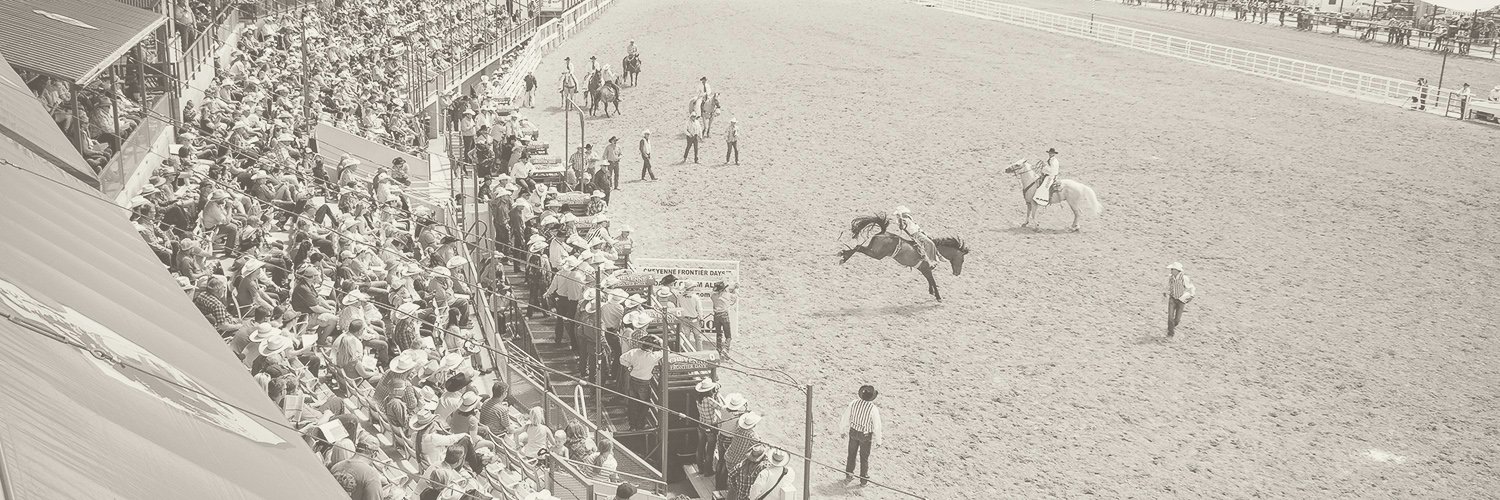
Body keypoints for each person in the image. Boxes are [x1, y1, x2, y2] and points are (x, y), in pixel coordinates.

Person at [839, 385, 883, 486]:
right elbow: (877, 425)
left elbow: (845, 417)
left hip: (854, 432)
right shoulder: (873, 408)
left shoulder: (854, 403)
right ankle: (863, 480)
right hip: (865, 435)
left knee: (851, 454)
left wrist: (842, 430)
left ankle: (849, 474)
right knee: (864, 458)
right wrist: (878, 440)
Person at [619, 334, 663, 430]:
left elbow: (622, 359)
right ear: (652, 346)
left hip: (633, 381)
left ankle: (633, 426)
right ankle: (640, 424)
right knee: (644, 405)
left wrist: (629, 365)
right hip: (644, 383)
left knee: (633, 404)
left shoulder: (634, 352)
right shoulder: (653, 356)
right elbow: (664, 349)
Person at [1165, 262, 1197, 338]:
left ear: (1177, 270)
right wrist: (1166, 292)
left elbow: (1191, 287)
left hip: (1181, 300)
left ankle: (1171, 328)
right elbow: (1168, 286)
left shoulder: (1184, 278)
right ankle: (1170, 333)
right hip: (1172, 299)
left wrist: (1192, 295)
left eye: (1172, 269)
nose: (1171, 270)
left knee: (1177, 320)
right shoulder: (1170, 277)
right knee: (1170, 317)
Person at [711, 282, 736, 354]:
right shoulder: (728, 295)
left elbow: (713, 292)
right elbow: (734, 297)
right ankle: (726, 349)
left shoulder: (713, 296)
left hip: (716, 315)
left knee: (719, 334)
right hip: (724, 315)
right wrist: (734, 289)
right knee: (728, 336)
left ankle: (719, 349)